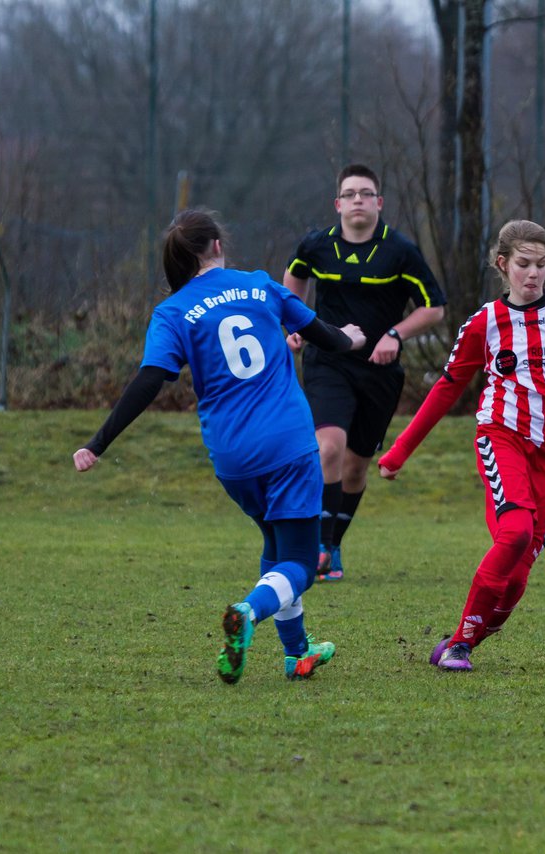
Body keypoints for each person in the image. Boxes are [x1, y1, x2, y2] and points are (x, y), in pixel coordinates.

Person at [73, 208, 366, 685]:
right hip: (287, 445)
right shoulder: (261, 286)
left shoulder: (172, 312)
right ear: (216, 246)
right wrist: (350, 339)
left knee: (276, 548)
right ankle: (247, 613)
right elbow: (327, 340)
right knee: (302, 563)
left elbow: (150, 380)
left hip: (232, 458)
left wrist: (98, 442)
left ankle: (297, 654)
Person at [377, 220, 545, 671]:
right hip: (502, 436)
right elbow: (447, 386)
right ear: (503, 265)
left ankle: (460, 642)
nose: (533, 273)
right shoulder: (485, 323)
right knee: (514, 532)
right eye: (523, 264)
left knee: (516, 581)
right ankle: (459, 648)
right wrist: (399, 452)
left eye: (541, 264)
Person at [283, 163, 447, 583]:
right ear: (338, 204)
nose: (358, 200)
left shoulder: (400, 251)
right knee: (328, 449)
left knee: (356, 468)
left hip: (379, 371)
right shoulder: (316, 246)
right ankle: (318, 548)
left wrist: (395, 332)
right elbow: (293, 281)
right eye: (350, 193)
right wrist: (297, 324)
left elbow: (434, 308)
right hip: (328, 361)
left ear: (379, 203)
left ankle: (334, 543)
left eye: (366, 193)